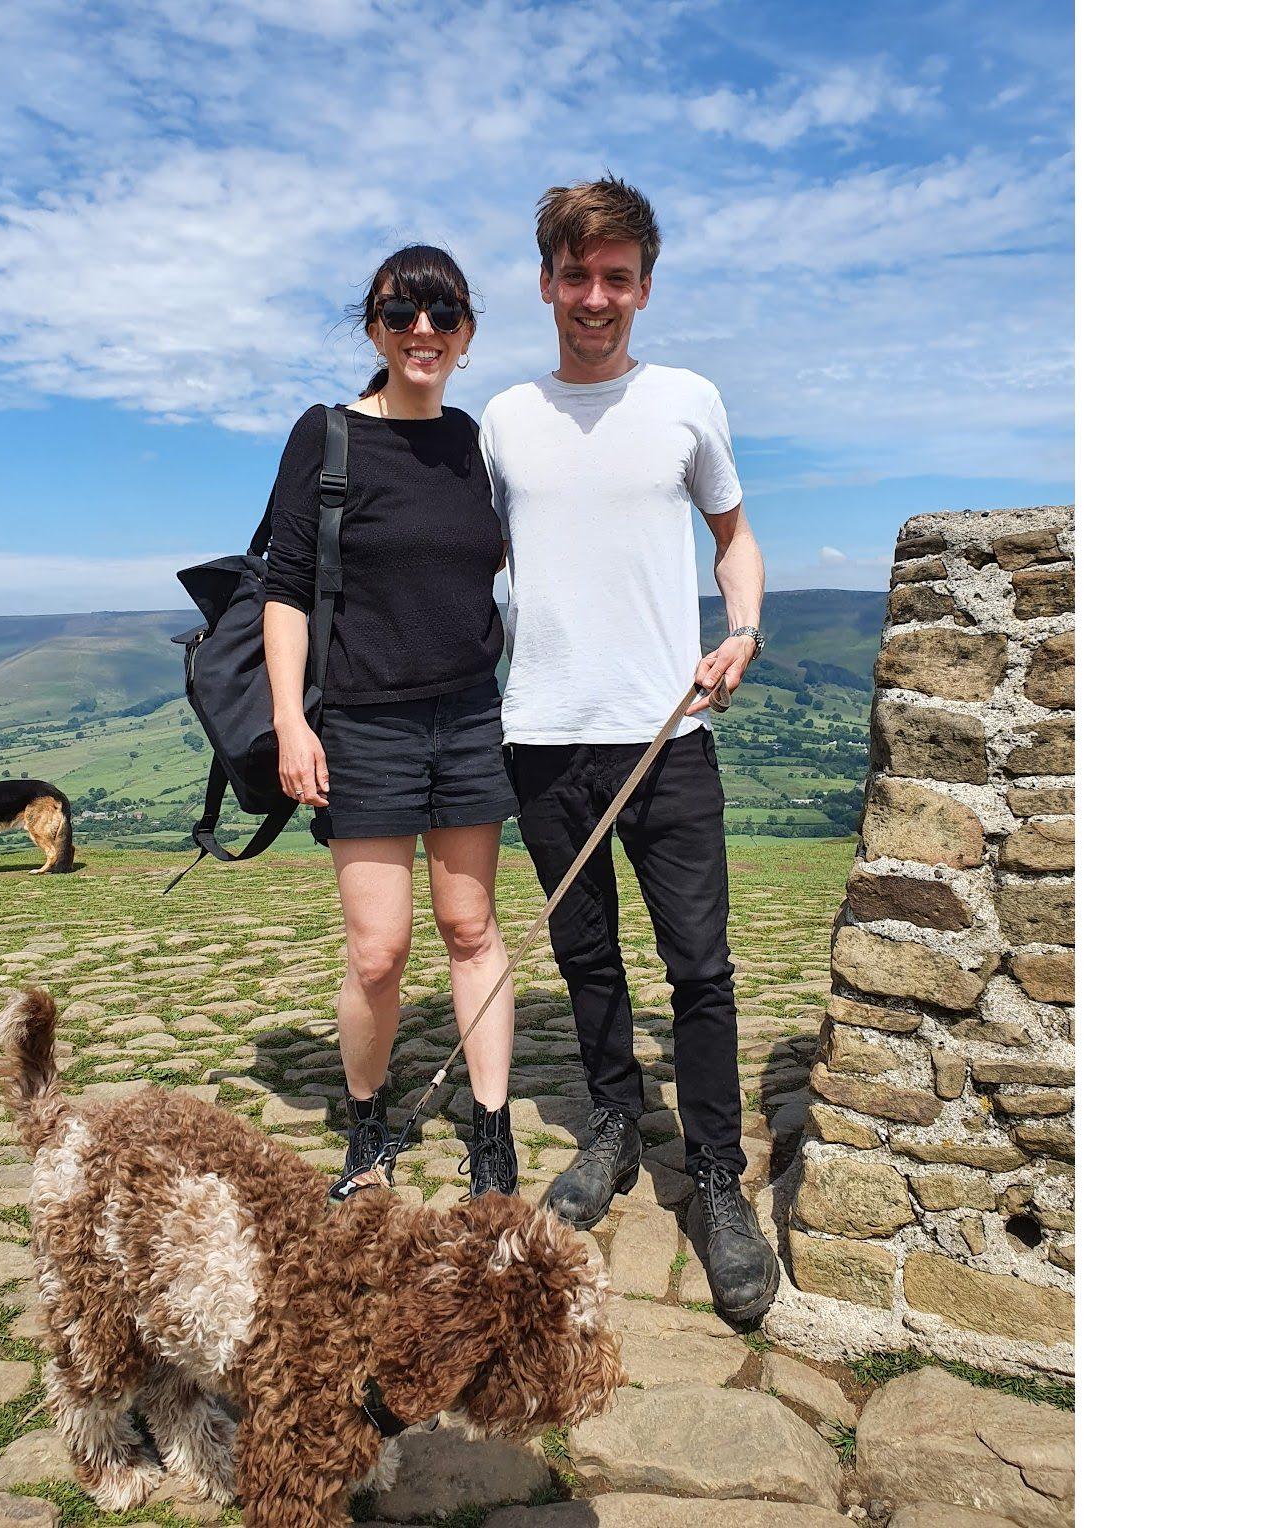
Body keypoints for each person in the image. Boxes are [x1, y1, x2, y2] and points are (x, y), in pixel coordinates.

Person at [479, 176, 780, 1320]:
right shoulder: (504, 418)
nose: (593, 297)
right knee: (587, 961)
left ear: (643, 287)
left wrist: (741, 628)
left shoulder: (688, 400)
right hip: (543, 736)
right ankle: (609, 1127)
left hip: (669, 734)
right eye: (575, 275)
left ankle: (714, 1178)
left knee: (697, 969)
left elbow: (735, 537)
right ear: (547, 281)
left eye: (615, 278)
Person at [263, 245, 520, 1198]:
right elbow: (285, 584)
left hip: (466, 714)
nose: (423, 331)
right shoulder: (326, 434)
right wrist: (293, 720)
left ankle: (491, 1131)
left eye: (443, 315)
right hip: (362, 722)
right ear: (373, 325)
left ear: (466, 333)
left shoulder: (475, 445)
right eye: (401, 312)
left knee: (469, 924)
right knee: (378, 950)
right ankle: (367, 1123)